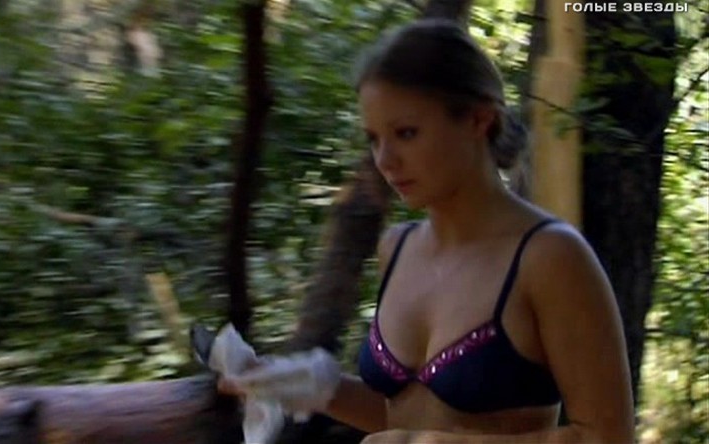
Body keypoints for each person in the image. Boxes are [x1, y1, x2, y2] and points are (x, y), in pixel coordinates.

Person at [219, 19, 634, 444]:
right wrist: (315, 387)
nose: (385, 159)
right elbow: (404, 415)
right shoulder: (396, 248)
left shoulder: (550, 257)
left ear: (479, 118)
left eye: (406, 133)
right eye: (374, 139)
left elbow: (608, 437)